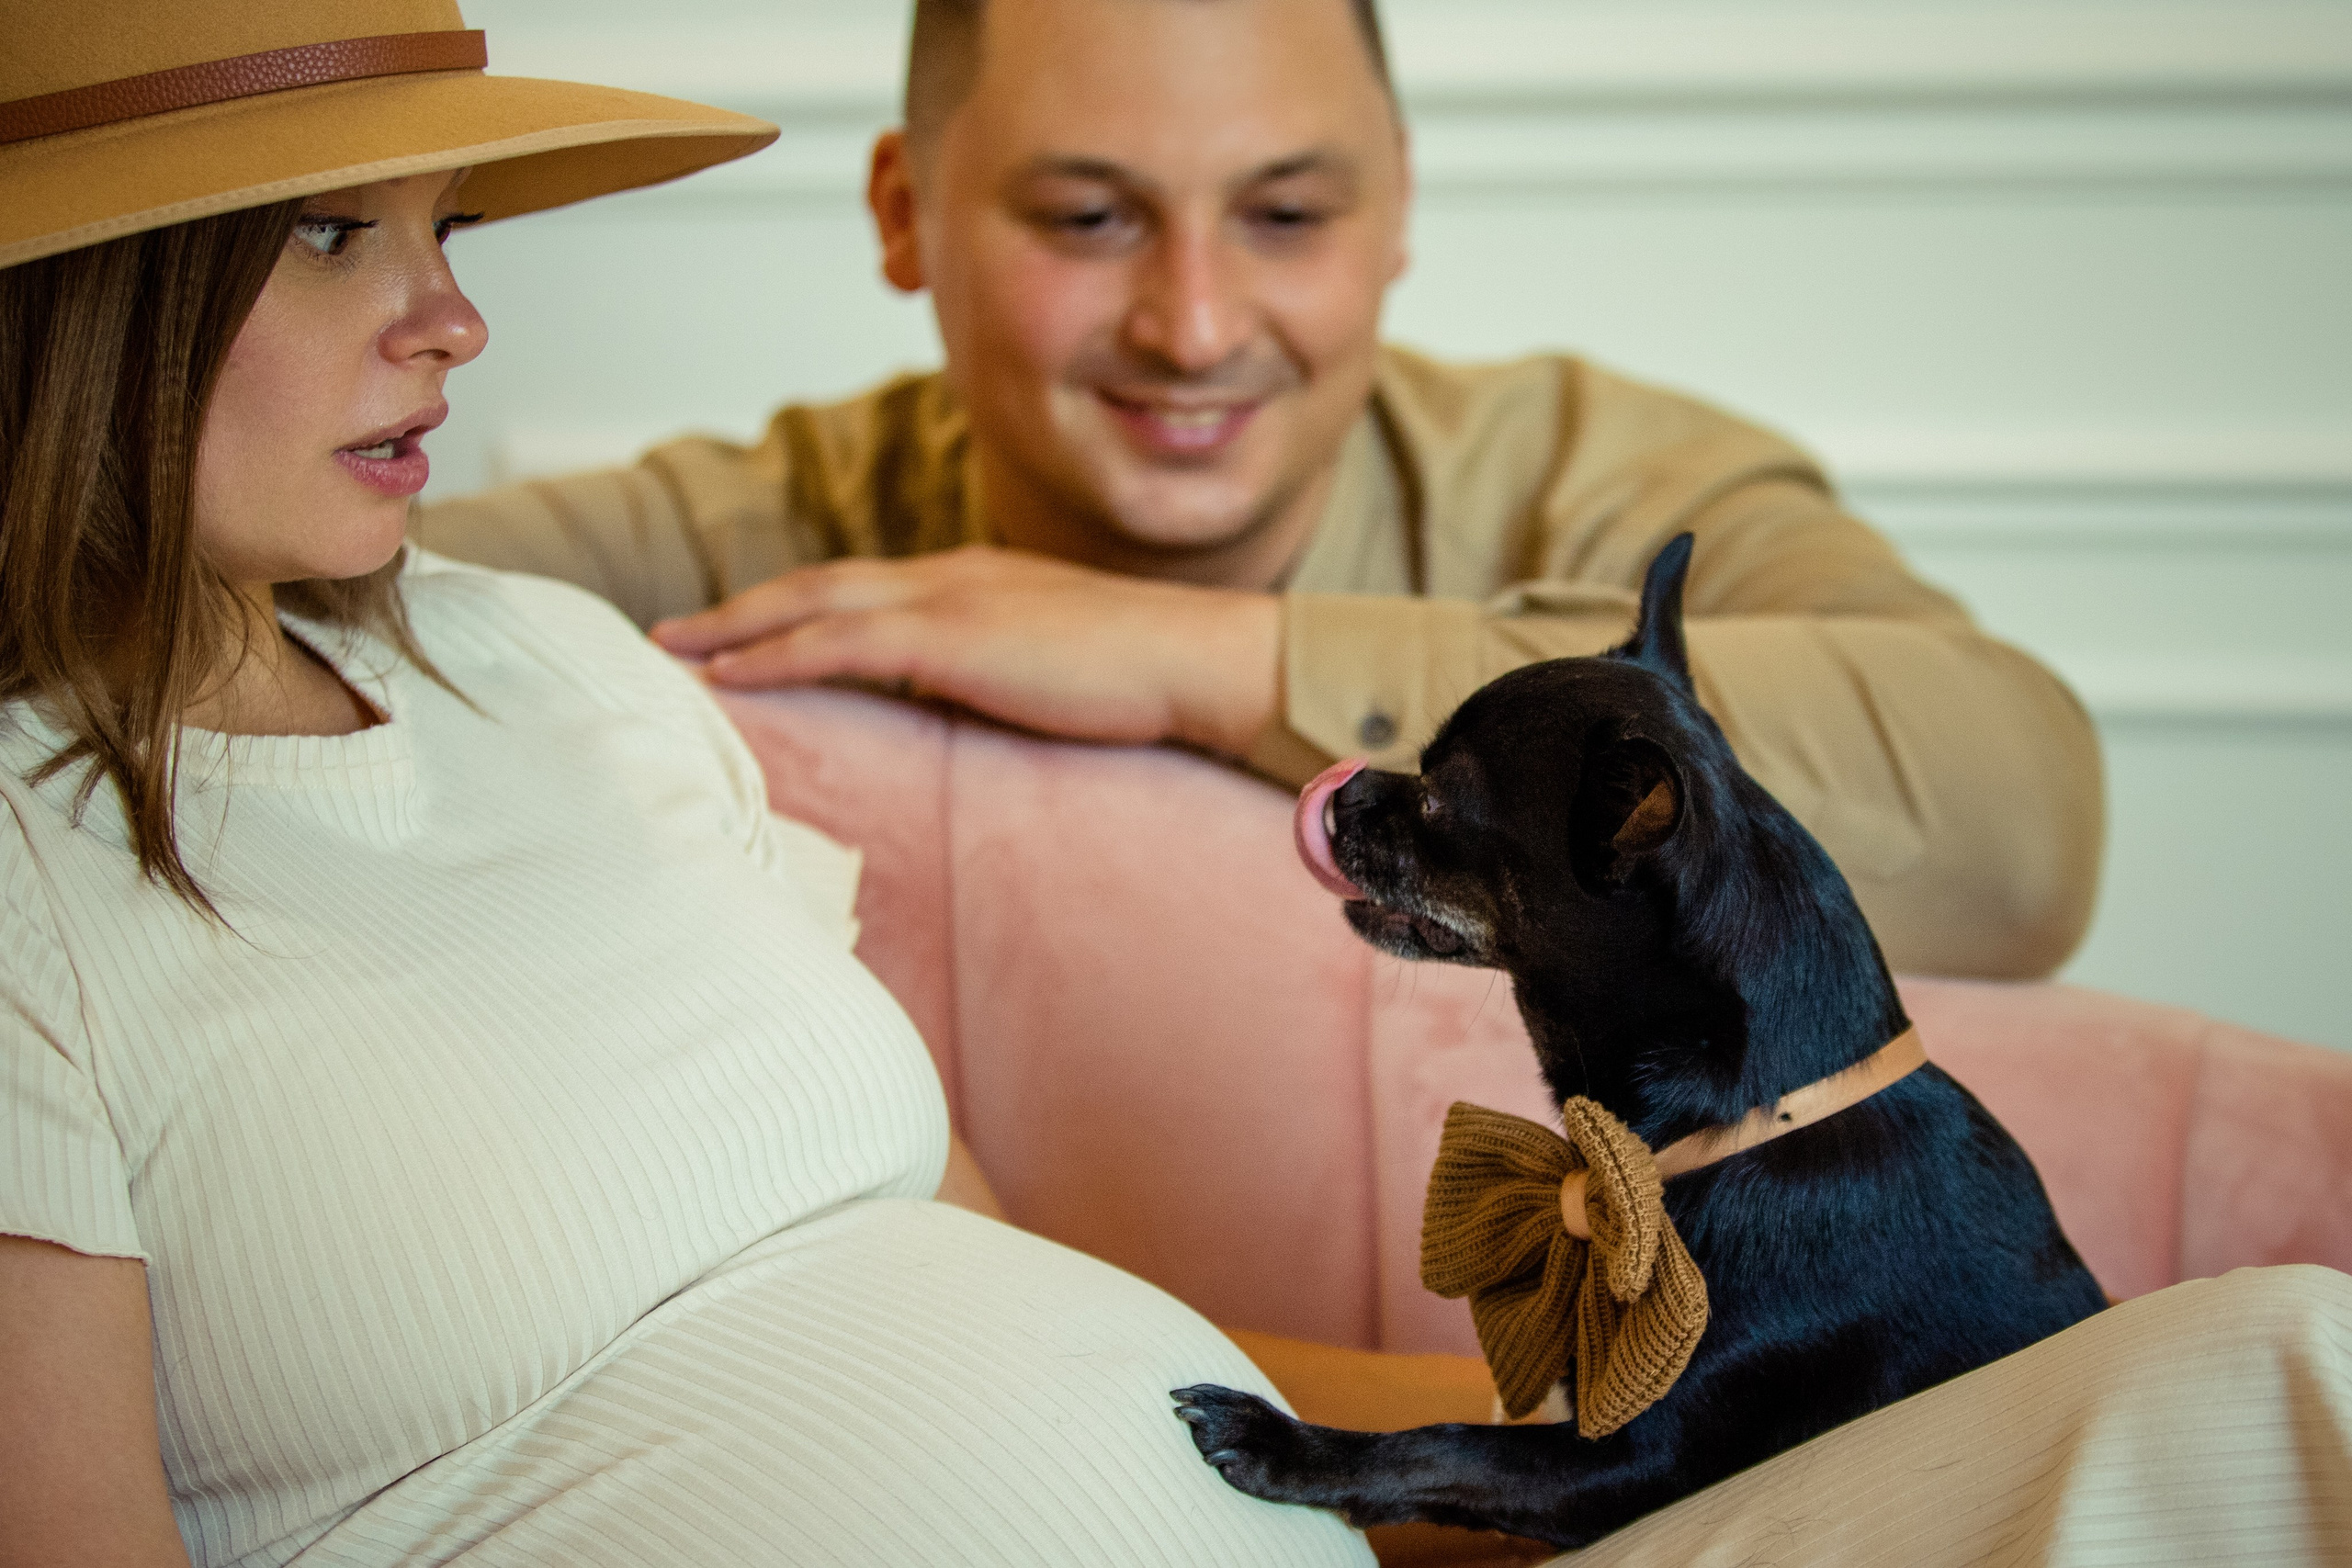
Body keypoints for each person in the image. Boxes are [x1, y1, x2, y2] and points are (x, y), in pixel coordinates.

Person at [0, 5, 1367, 1564]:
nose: (455, 320)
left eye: (445, 230)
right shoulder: (26, 884)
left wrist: (1522, 1449)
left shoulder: (550, 659)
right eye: (330, 236)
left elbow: (960, 1257)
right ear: (74, 300)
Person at [414, 0, 2105, 983]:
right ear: (904, 212)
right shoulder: (765, 534)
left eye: (1287, 216)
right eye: (1089, 219)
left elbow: (2026, 828)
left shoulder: (1613, 482)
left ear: (1397, 209)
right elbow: (230, 582)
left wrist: (1199, 658)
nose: (1198, 324)